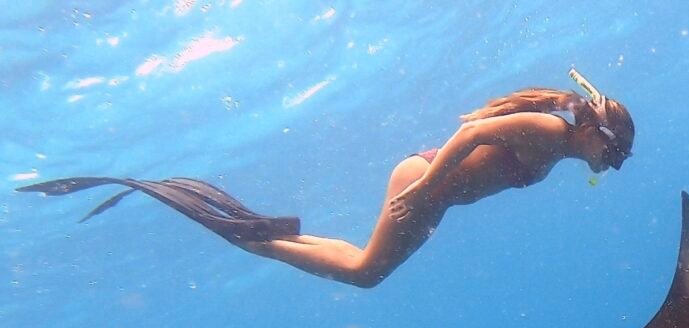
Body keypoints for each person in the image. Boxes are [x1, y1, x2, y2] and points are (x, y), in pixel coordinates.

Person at [18, 69, 634, 289]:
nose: (612, 168)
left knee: (365, 265)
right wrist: (424, 191)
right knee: (365, 274)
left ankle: (264, 233)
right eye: (618, 156)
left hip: (435, 193)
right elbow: (470, 137)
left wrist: (434, 197)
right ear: (598, 136)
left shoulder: (558, 148)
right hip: (426, 182)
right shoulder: (553, 132)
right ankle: (248, 238)